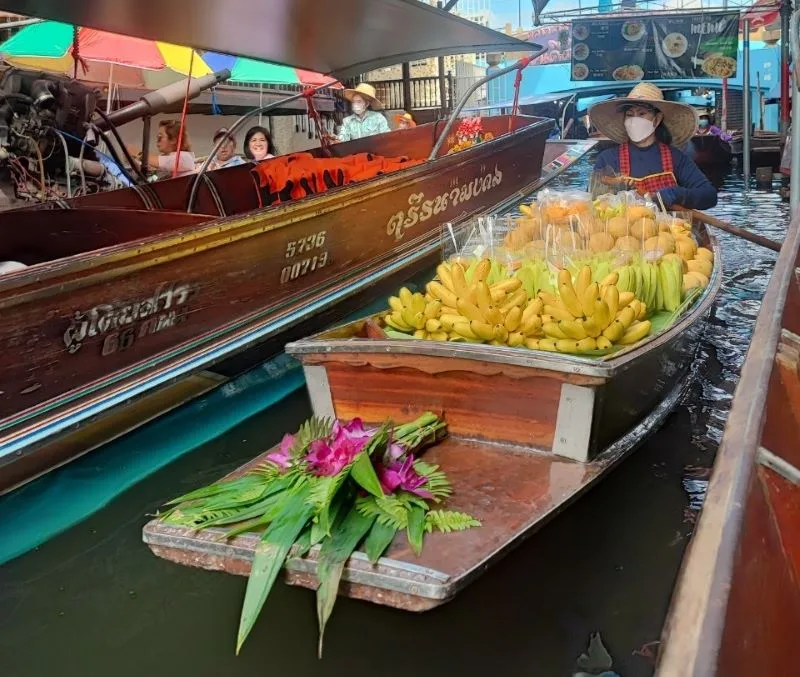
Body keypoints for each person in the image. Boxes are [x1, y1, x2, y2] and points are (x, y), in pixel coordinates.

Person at [589, 83, 717, 210]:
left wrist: (677, 194)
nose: (634, 120)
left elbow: (709, 196)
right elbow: (594, 200)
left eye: (642, 114)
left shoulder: (675, 158)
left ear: (657, 119)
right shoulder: (608, 159)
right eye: (629, 114)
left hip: (669, 229)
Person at [128, 119, 195, 179]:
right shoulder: (168, 157)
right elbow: (153, 174)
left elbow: (158, 161)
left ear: (173, 140)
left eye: (160, 137)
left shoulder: (184, 158)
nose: (157, 141)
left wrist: (136, 152)